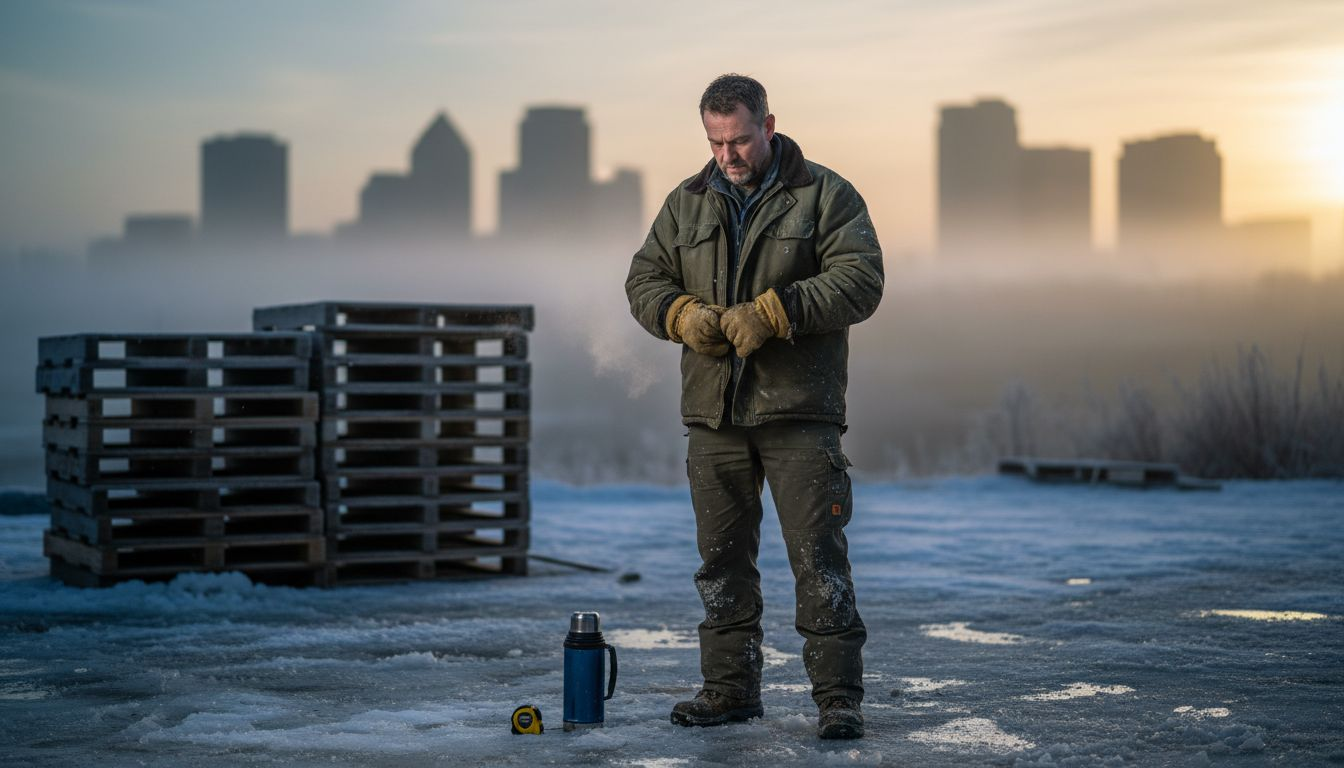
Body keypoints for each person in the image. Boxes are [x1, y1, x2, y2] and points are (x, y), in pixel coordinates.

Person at [624, 73, 884, 740]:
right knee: (720, 564)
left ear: (769, 126)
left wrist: (778, 310)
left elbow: (861, 280)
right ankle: (730, 691)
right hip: (714, 418)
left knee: (818, 562)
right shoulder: (687, 203)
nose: (728, 156)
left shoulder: (826, 195)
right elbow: (644, 279)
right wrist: (680, 314)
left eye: (739, 140)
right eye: (716, 143)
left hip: (799, 413)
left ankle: (837, 701)